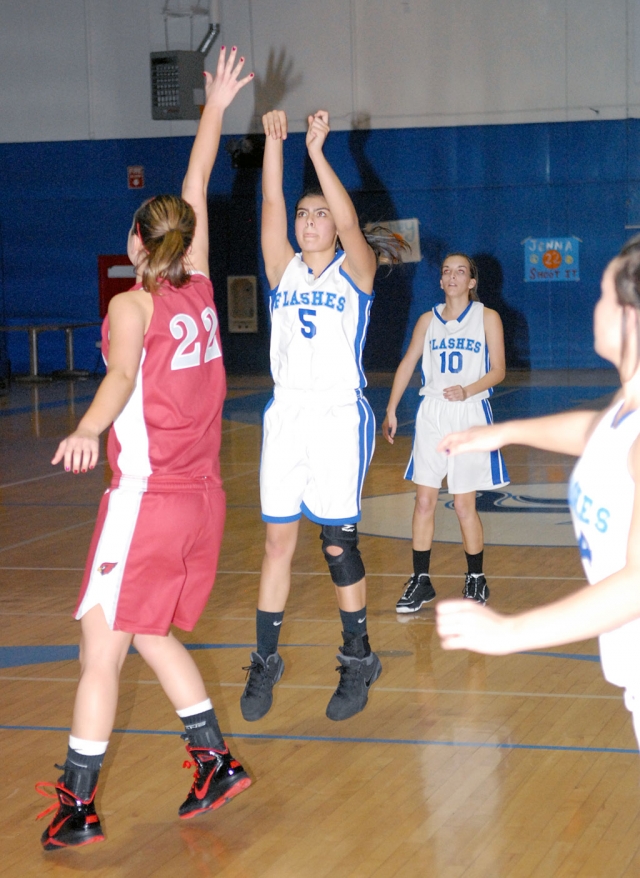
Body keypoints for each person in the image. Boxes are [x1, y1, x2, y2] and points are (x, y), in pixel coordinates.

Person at [36, 47, 254, 851]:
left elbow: (122, 378)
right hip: (201, 500)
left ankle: (76, 807)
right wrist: (216, 108)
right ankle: (214, 761)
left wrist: (89, 427)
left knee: (102, 645)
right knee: (152, 632)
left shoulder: (135, 304)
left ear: (136, 237)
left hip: (148, 500)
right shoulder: (197, 278)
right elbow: (196, 185)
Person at [436, 237, 640, 748]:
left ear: (629, 317)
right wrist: (506, 432)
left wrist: (510, 633)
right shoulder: (628, 405)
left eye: (601, 296)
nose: (594, 307)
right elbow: (599, 433)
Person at [240, 108, 407, 723]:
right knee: (276, 541)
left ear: (334, 228)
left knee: (337, 544)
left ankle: (358, 657)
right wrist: (276, 147)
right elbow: (270, 210)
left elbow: (348, 220)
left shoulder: (356, 270)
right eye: (304, 213)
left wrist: (317, 153)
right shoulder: (282, 270)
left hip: (339, 414)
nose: (309, 221)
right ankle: (265, 659)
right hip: (287, 415)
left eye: (320, 214)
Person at [382, 253, 509, 614]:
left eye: (461, 271)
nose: (452, 276)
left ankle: (475, 578)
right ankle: (421, 580)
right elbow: (408, 362)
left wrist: (469, 389)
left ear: (472, 282)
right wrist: (391, 408)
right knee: (423, 501)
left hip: (468, 413)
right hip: (432, 413)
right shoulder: (428, 320)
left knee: (464, 504)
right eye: (446, 271)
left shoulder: (487, 318)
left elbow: (498, 370)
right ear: (440, 281)